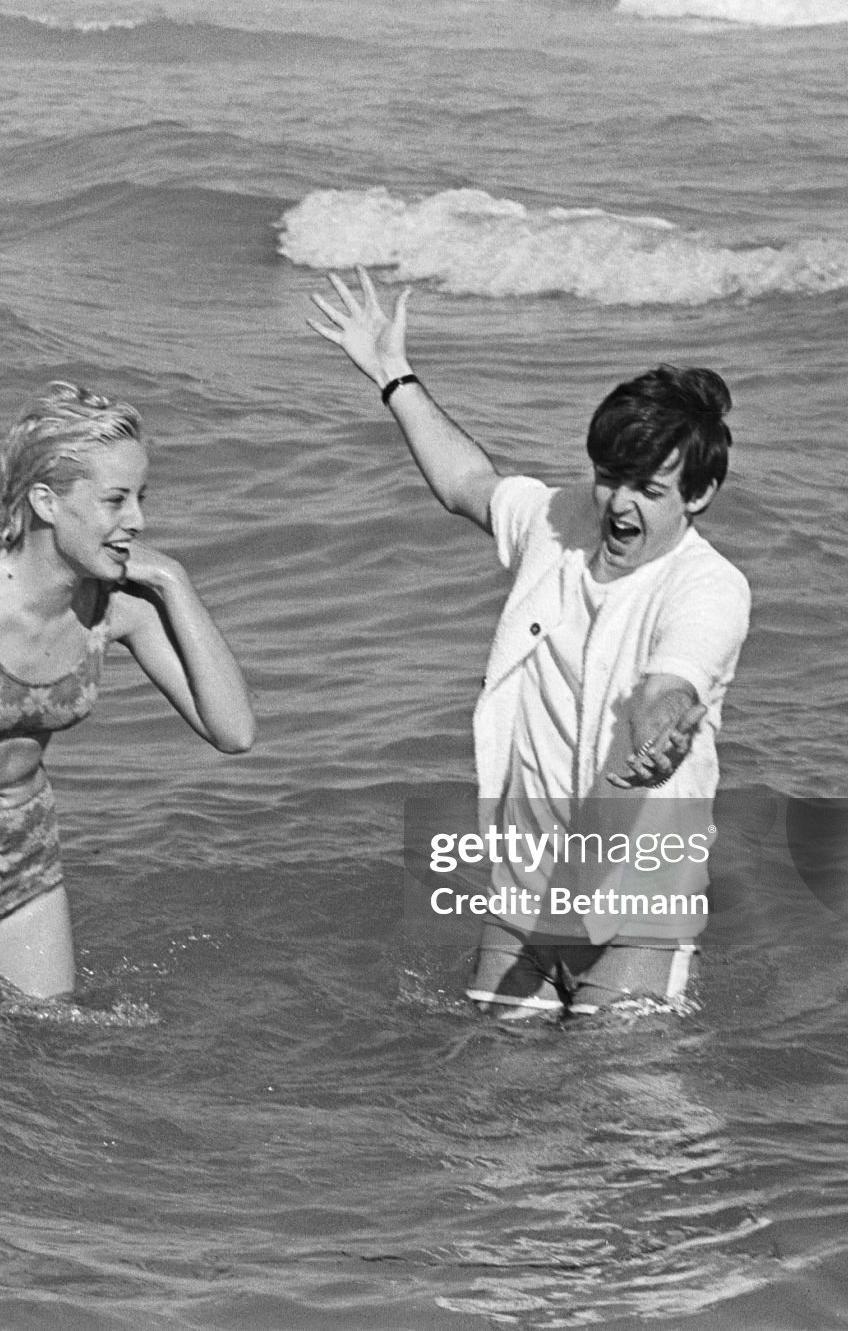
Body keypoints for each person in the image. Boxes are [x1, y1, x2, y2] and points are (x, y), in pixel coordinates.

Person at [310, 269, 749, 1018]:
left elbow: (672, 685)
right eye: (610, 479)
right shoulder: (556, 522)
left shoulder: (710, 588)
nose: (618, 505)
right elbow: (467, 483)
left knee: (626, 1114)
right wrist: (394, 377)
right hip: (526, 888)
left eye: (648, 489)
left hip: (640, 898)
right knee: (495, 1110)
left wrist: (664, 737)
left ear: (699, 494)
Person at [0, 382, 255, 1001]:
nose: (137, 520)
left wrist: (173, 579)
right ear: (47, 502)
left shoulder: (113, 608)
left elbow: (233, 731)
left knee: (41, 1047)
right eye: (114, 500)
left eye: (140, 498)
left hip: (27, 856)